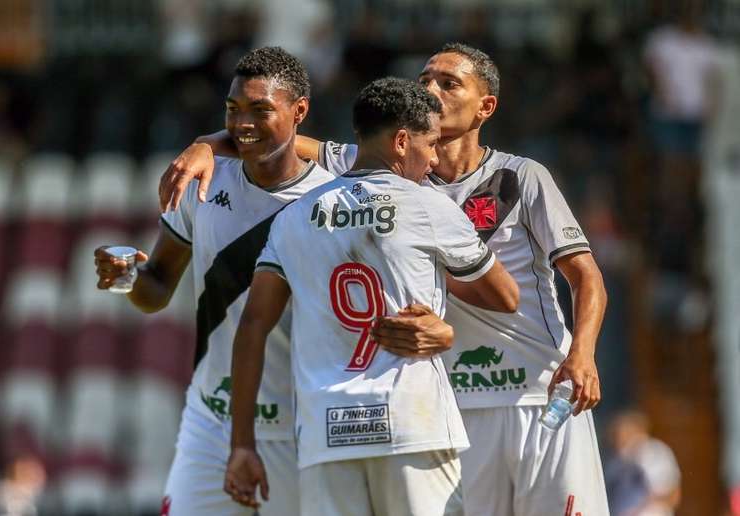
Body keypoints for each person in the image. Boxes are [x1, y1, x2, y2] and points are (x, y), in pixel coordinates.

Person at [161, 42, 610, 515]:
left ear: (486, 107)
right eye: (425, 80)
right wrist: (205, 145)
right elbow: (276, 136)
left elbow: (585, 277)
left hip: (537, 393)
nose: (431, 89)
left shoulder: (522, 176)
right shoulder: (386, 168)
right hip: (455, 403)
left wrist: (582, 353)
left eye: (448, 82)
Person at [223, 76, 519, 516]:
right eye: (431, 143)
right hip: (411, 425)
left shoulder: (294, 217)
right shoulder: (429, 206)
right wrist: (443, 326)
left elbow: (252, 326)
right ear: (402, 141)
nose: (435, 158)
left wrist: (242, 444)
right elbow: (506, 296)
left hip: (327, 433)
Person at [94, 46, 334, 516]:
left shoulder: (336, 198)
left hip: (302, 428)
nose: (242, 124)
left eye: (260, 110)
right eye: (232, 110)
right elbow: (157, 287)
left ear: (299, 111)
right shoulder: (204, 186)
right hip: (212, 420)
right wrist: (127, 279)